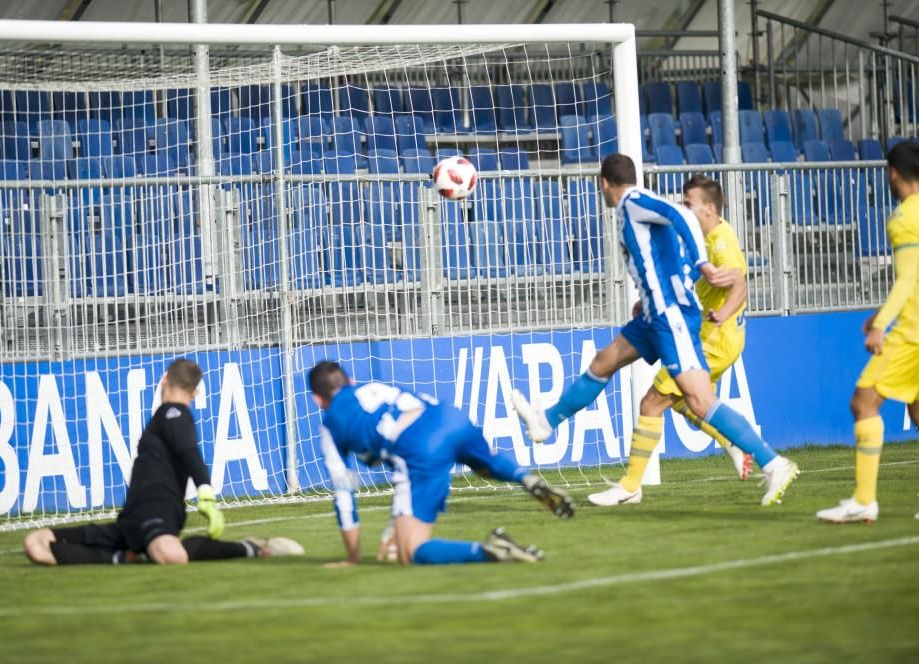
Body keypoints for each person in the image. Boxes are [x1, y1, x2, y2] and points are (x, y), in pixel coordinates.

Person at [511, 154, 799, 507]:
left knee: (698, 400)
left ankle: (773, 462)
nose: (684, 204)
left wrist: (703, 265)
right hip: (653, 313)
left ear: (604, 183)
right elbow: (667, 248)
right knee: (604, 362)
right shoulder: (632, 212)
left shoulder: (634, 201)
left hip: (670, 316)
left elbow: (680, 217)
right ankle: (546, 422)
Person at [23, 358, 303, 565]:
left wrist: (205, 491)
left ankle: (250, 547)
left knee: (172, 555)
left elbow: (188, 451)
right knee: (34, 544)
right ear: (197, 392)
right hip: (132, 518)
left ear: (163, 379)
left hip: (158, 511)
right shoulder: (169, 415)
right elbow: (186, 450)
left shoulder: (175, 413)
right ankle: (125, 556)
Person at [588, 174, 752, 506]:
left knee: (652, 403)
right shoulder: (708, 236)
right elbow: (693, 275)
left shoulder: (720, 242)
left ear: (708, 208)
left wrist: (724, 314)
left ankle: (631, 486)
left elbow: (739, 281)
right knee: (684, 403)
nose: (683, 208)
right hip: (710, 336)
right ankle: (738, 445)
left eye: (688, 204)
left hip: (713, 339)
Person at [309, 361, 574, 567]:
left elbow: (344, 494)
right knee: (485, 464)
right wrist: (395, 523)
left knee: (410, 552)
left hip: (420, 447)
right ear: (350, 381)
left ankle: (491, 551)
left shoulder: (331, 427)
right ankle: (524, 478)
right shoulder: (374, 388)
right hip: (449, 416)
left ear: (317, 400)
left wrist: (353, 556)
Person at [817, 140, 919, 523]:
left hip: (911, 333)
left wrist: (881, 323)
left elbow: (908, 278)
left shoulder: (904, 217)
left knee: (863, 403)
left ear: (893, 172)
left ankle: (863, 499)